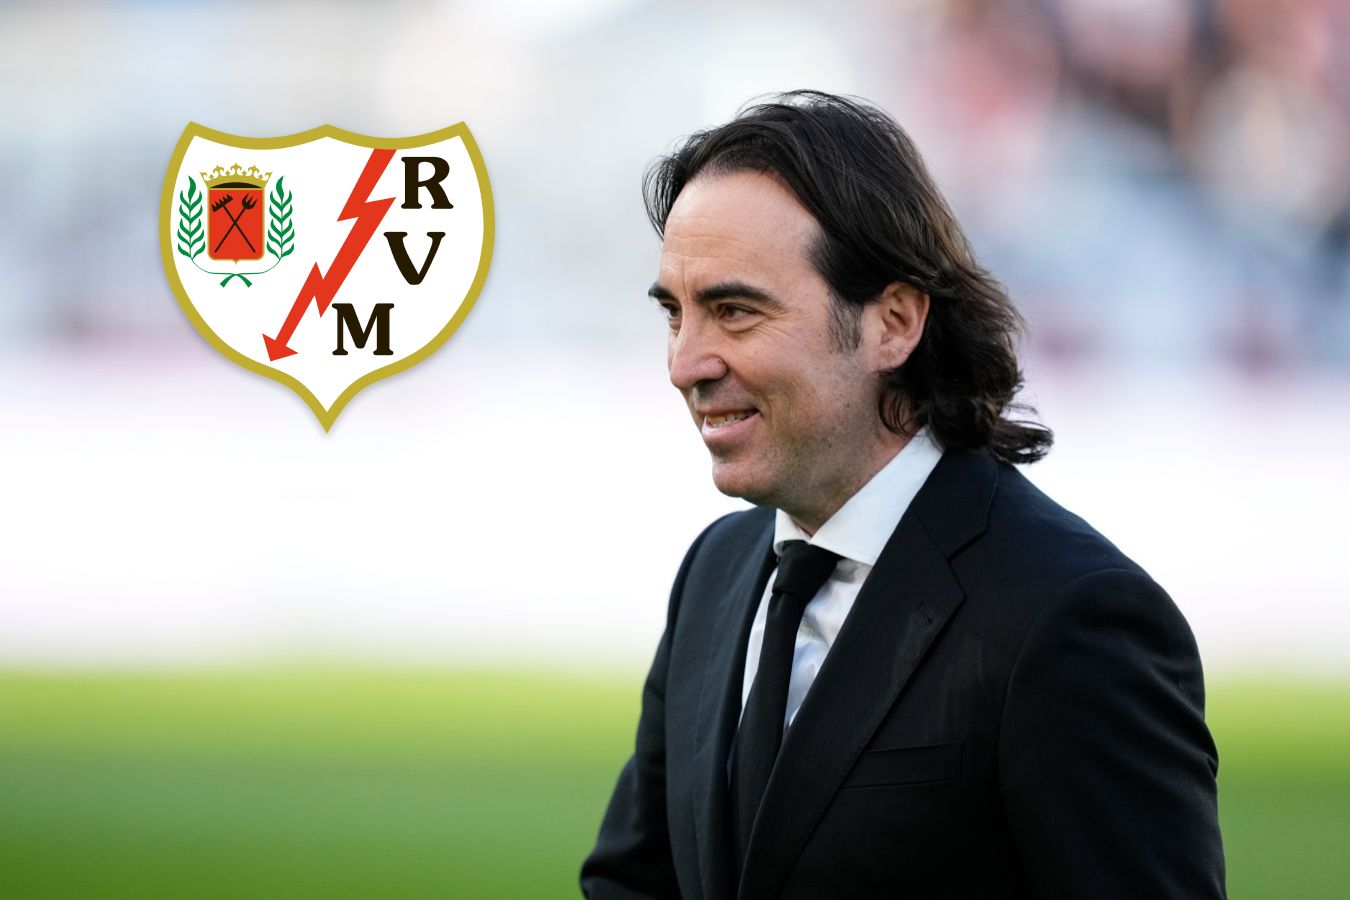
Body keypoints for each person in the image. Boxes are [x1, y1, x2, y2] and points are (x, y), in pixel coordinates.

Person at [580, 91, 1225, 899]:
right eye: (676, 314)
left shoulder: (1071, 618)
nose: (685, 365)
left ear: (893, 323)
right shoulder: (716, 572)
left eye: (734, 312)